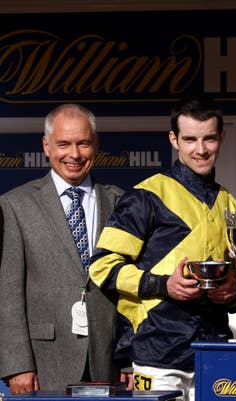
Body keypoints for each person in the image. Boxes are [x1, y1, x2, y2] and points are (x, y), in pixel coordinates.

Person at [89, 94, 236, 401]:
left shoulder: (230, 204)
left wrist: (234, 290)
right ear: (173, 139)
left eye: (209, 139)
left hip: (214, 353)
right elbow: (102, 267)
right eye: (190, 139)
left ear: (222, 138)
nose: (200, 150)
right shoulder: (145, 196)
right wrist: (164, 285)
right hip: (156, 355)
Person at [0, 104, 125, 393]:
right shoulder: (15, 205)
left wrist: (130, 359)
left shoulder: (120, 202)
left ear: (95, 145)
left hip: (108, 361)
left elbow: (130, 290)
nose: (75, 154)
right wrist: (17, 365)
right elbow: (8, 293)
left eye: (83, 143)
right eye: (63, 144)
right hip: (44, 363)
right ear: (46, 146)